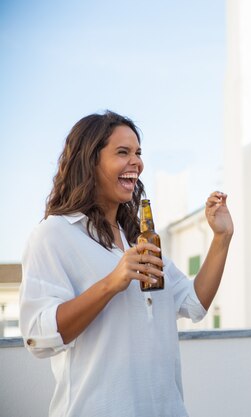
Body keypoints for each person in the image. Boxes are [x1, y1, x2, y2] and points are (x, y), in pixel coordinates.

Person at [19, 110, 234, 417]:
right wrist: (111, 283)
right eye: (123, 152)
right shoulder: (53, 235)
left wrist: (221, 238)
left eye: (138, 153)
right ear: (90, 161)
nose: (137, 162)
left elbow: (194, 303)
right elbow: (38, 338)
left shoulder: (137, 240)